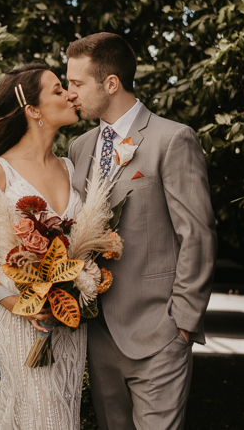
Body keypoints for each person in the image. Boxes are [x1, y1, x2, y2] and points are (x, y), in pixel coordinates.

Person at [66, 32, 217, 430]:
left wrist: (181, 323)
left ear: (110, 83)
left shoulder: (173, 139)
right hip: (98, 336)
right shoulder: (79, 148)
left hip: (158, 332)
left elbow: (197, 235)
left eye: (77, 83)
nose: (69, 94)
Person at [0, 63, 86, 429]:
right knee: (48, 418)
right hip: (20, 314)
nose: (70, 95)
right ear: (32, 110)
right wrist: (17, 304)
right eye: (58, 90)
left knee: (53, 408)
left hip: (67, 315)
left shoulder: (70, 167)